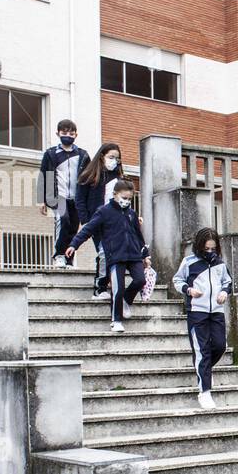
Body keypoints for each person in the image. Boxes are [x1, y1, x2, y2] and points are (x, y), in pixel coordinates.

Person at [65, 179, 151, 333]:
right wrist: (74, 244)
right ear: (115, 194)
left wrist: (145, 254)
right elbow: (88, 229)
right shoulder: (104, 211)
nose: (126, 201)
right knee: (118, 288)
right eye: (124, 198)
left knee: (140, 280)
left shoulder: (132, 214)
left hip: (133, 254)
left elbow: (138, 235)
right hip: (115, 255)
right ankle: (116, 320)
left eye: (130, 199)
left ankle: (126, 300)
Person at [171, 228, 232, 410]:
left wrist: (224, 292)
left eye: (213, 249)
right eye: (207, 249)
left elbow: (227, 281)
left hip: (217, 311)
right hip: (197, 311)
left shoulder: (220, 263)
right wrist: (189, 291)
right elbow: (177, 280)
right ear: (199, 246)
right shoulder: (189, 262)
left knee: (220, 346)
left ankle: (204, 372)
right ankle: (204, 392)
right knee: (202, 351)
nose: (210, 252)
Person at [36, 119, 89, 268]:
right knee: (63, 219)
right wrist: (41, 200)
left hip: (77, 198)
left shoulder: (83, 155)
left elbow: (88, 178)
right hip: (57, 196)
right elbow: (43, 175)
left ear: (76, 135)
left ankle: (69, 259)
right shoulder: (51, 154)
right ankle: (59, 255)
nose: (68, 135)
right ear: (57, 133)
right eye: (64, 133)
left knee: (73, 227)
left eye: (71, 133)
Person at [75, 143, 125, 298]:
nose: (114, 160)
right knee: (103, 252)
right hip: (96, 221)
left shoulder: (119, 178)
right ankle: (100, 288)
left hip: (115, 222)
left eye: (117, 158)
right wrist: (86, 221)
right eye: (111, 157)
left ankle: (110, 282)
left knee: (112, 254)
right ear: (102, 156)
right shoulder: (90, 175)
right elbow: (80, 200)